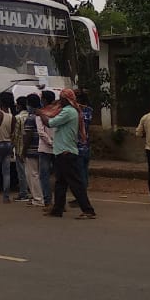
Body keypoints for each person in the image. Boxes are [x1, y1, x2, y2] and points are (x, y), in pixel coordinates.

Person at [39, 89, 98, 219]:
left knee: (74, 183)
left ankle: (88, 210)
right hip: (62, 151)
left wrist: (41, 113)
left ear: (67, 99)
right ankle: (57, 209)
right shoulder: (72, 111)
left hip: (66, 152)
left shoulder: (68, 111)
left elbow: (50, 123)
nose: (60, 100)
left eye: (62, 98)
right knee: (60, 183)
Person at [19, 95, 44, 206]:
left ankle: (37, 198)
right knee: (39, 174)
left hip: (31, 150)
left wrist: (23, 151)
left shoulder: (30, 118)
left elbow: (27, 136)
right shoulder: (42, 116)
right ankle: (40, 197)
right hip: (41, 149)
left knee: (32, 174)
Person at [37, 89, 57, 204]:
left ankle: (47, 199)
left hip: (45, 148)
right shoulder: (58, 112)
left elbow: (41, 132)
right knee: (58, 176)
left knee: (44, 175)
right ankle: (53, 200)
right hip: (56, 147)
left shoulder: (41, 113)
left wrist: (50, 143)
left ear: (44, 100)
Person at [12, 96, 31, 201]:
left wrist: (12, 146)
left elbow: (15, 135)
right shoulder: (31, 116)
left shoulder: (18, 118)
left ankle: (23, 193)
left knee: (21, 173)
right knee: (32, 172)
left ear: (19, 105)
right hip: (32, 149)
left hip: (20, 149)